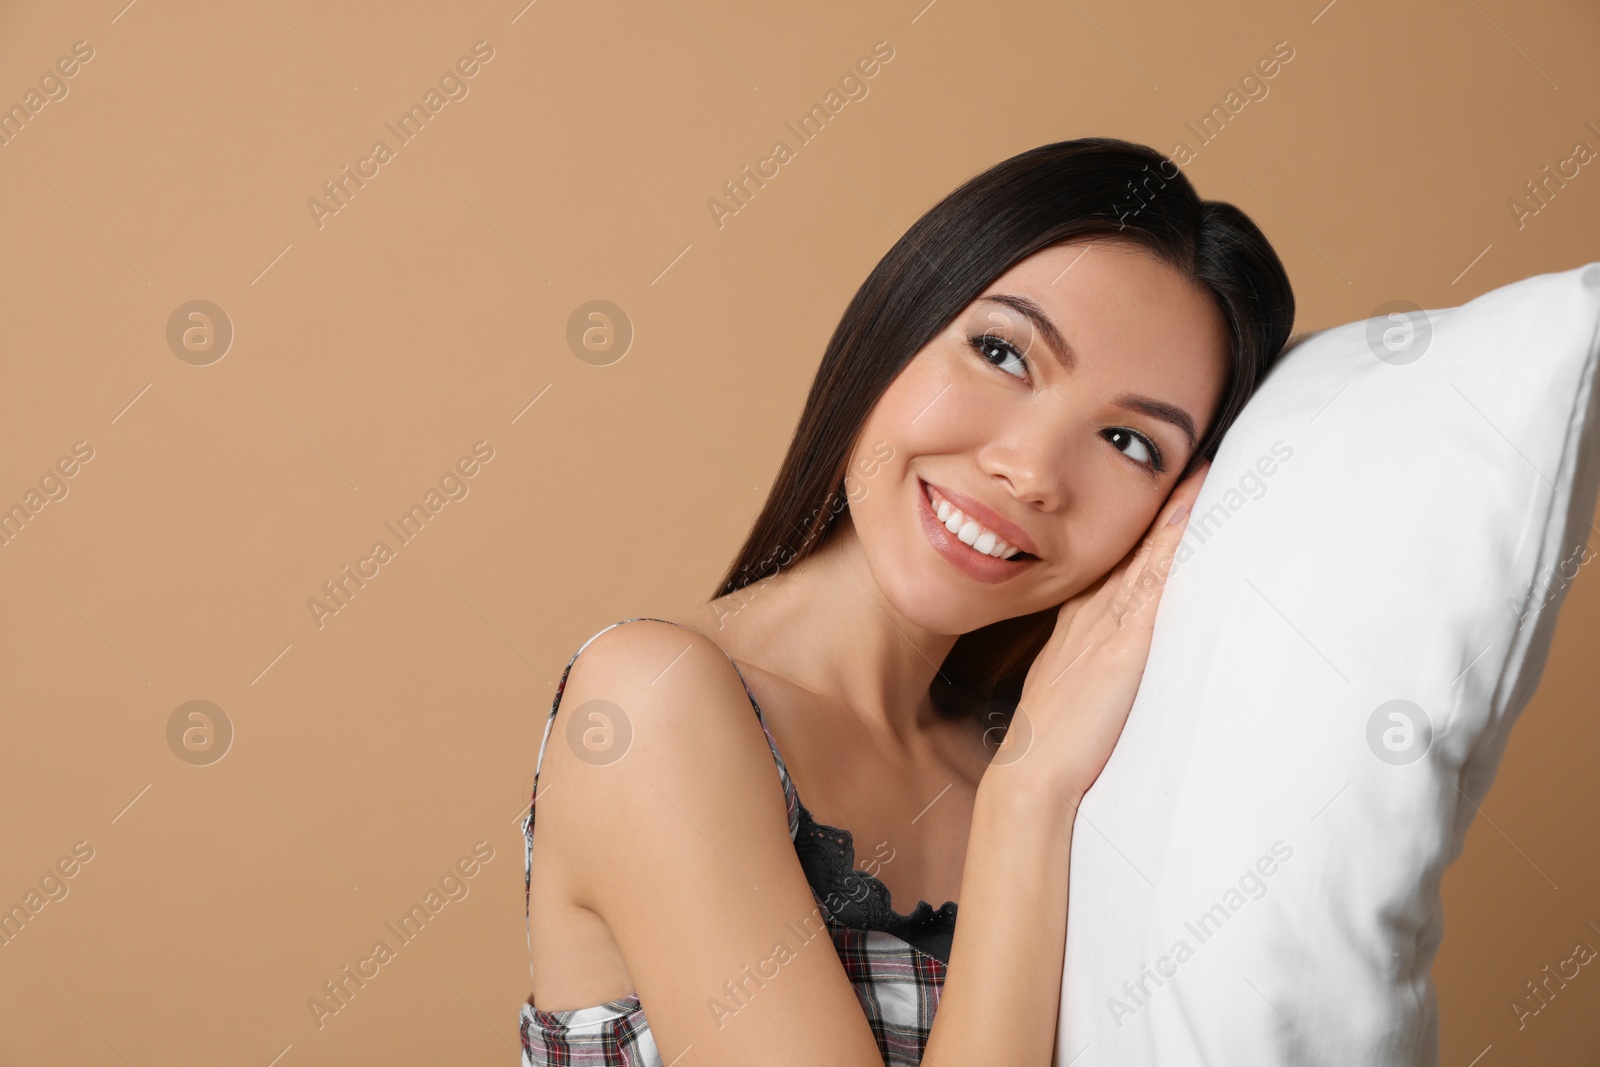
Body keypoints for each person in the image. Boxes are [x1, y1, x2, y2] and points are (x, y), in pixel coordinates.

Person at [519, 136, 1295, 1066]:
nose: (1031, 471)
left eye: (1130, 442)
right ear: (895, 326)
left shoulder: (1070, 762)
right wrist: (1029, 795)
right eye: (1003, 352)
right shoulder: (651, 700)